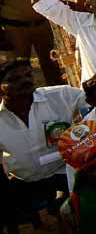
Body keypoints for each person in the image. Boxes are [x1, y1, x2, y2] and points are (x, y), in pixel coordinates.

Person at [0, 58, 85, 212]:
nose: (25, 81)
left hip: (64, 170)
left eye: (28, 76)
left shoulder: (60, 95)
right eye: (15, 79)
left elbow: (94, 98)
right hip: (24, 180)